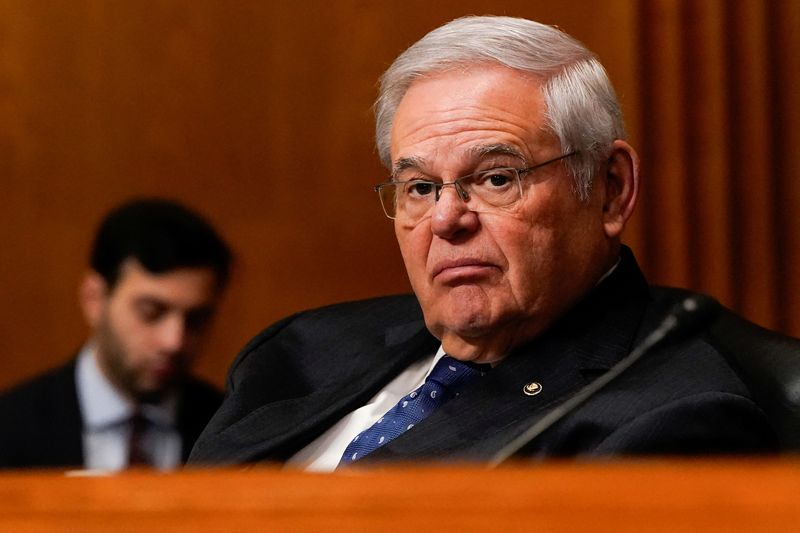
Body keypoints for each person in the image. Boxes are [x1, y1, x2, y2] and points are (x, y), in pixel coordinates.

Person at [188, 16, 778, 471]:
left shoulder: (670, 423)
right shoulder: (299, 351)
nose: (446, 219)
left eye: (497, 177)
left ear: (609, 189)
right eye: (419, 187)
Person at [0, 198, 232, 471]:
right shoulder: (9, 428)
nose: (174, 341)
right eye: (151, 312)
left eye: (196, 319)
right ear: (95, 298)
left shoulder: (231, 430)